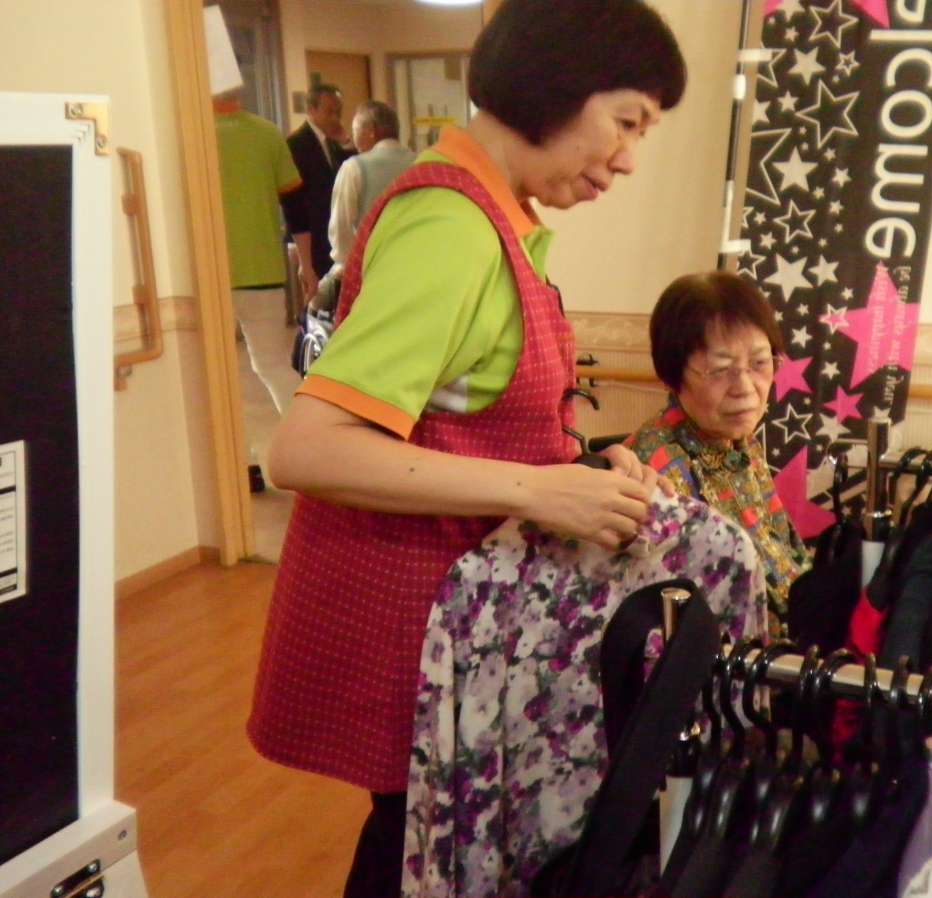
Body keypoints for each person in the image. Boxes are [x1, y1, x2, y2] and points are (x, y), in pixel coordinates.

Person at [246, 2, 687, 896]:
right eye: (626, 122)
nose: (629, 159)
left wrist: (575, 471)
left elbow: (463, 411)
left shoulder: (493, 215)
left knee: (422, 844)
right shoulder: (450, 227)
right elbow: (306, 449)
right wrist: (538, 490)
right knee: (413, 854)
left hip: (454, 620)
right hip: (412, 623)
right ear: (557, 84)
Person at [625, 271, 811, 630]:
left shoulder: (740, 441)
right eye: (720, 370)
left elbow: (783, 555)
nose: (745, 388)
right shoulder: (655, 469)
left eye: (760, 363)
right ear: (672, 375)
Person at [212, 87, 314, 416]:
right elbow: (296, 208)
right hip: (263, 271)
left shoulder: (195, 134)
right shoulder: (267, 133)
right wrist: (306, 266)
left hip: (207, 274)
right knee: (272, 366)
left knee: (208, 373)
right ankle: (307, 433)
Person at [325, 100, 417, 285]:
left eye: (355, 129)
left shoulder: (354, 167)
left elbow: (341, 227)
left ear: (371, 131)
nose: (353, 137)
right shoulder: (420, 162)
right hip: (416, 264)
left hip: (373, 270)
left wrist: (347, 264)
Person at [287, 83, 354, 287]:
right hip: (311, 239)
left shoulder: (335, 142)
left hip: (335, 237)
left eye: (338, 112)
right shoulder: (295, 144)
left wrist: (346, 142)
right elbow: (295, 202)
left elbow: (352, 175)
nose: (335, 118)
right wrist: (304, 259)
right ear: (311, 110)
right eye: (329, 112)